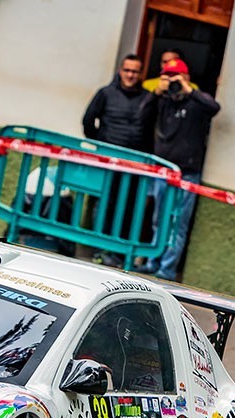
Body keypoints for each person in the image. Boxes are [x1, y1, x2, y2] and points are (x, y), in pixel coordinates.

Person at [136, 57, 220, 281]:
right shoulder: (163, 100)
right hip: (163, 172)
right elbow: (140, 116)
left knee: (177, 224)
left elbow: (214, 107)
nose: (173, 82)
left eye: (177, 77)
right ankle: (152, 262)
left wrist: (187, 89)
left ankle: (167, 269)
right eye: (168, 77)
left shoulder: (196, 102)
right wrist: (156, 92)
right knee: (158, 220)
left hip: (187, 174)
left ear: (186, 78)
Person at [82, 54, 152, 266]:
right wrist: (100, 145)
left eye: (135, 71)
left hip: (135, 166)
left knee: (130, 207)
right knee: (105, 204)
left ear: (141, 74)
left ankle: (120, 254)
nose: (131, 75)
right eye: (127, 70)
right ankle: (101, 250)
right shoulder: (105, 93)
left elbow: (150, 130)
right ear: (120, 71)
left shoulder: (147, 98)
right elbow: (87, 120)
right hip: (109, 162)